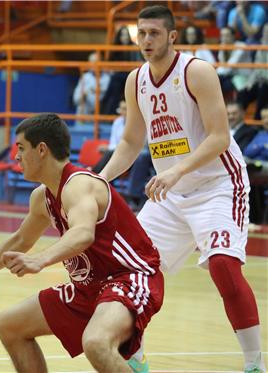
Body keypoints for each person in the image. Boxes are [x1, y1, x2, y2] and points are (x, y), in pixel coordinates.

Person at [99, 6, 266, 372]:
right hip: (170, 195)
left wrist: (176, 171)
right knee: (129, 269)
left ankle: (254, 364)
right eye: (141, 34)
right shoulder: (135, 80)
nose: (145, 41)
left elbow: (221, 137)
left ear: (173, 37)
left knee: (222, 264)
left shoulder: (198, 72)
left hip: (217, 185)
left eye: (154, 34)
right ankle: (136, 360)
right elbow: (129, 143)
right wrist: (100, 179)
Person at [0, 113, 164, 373]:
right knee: (10, 325)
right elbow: (20, 240)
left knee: (96, 343)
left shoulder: (79, 185)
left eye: (21, 148)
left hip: (129, 278)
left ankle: (130, 355)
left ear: (42, 149)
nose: (16, 156)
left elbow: (83, 234)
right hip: (91, 288)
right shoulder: (42, 197)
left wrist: (40, 259)